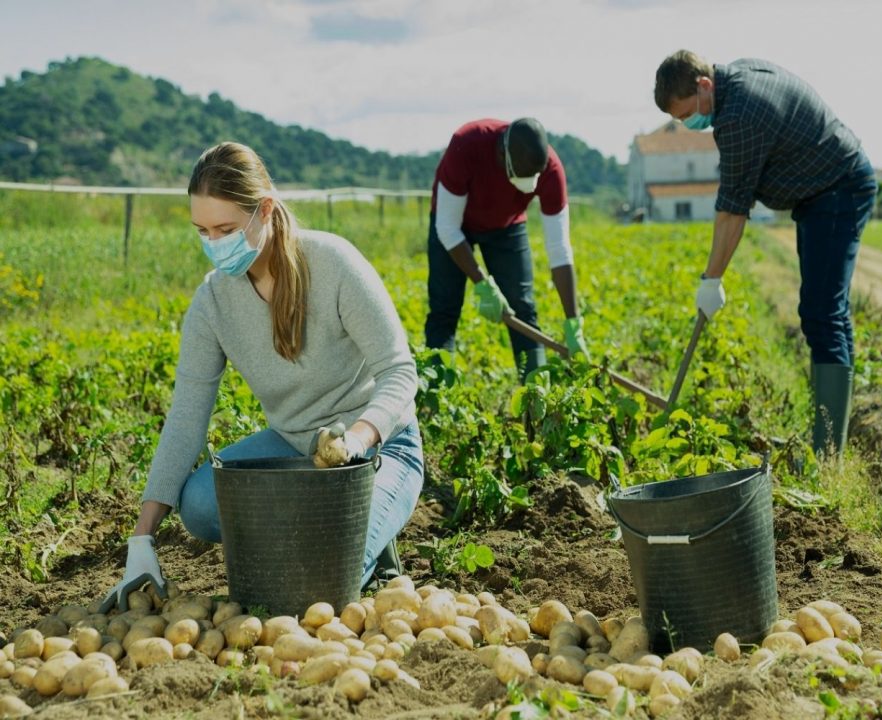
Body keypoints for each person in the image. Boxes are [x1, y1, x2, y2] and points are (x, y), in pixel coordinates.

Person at [100, 142, 423, 611]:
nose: (214, 244)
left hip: (379, 449)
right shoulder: (213, 303)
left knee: (318, 582)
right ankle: (333, 533)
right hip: (294, 451)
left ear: (265, 210)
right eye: (203, 231)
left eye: (226, 229)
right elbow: (187, 418)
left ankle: (368, 538)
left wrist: (355, 440)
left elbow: (399, 372)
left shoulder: (333, 264)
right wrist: (141, 540)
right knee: (201, 504)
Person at [654, 51, 877, 456]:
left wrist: (712, 279)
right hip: (819, 192)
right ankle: (828, 441)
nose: (688, 125)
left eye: (688, 114)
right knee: (824, 313)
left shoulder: (740, 116)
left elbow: (732, 210)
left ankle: (828, 451)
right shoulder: (737, 79)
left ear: (704, 86)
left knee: (822, 313)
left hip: (838, 189)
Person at [424, 117, 588, 380]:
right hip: (454, 225)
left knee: (523, 310)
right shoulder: (467, 145)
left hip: (506, 227)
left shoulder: (550, 170)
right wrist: (482, 283)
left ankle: (536, 399)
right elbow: (446, 227)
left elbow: (559, 248)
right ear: (502, 156)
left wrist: (573, 323)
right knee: (444, 308)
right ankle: (435, 394)